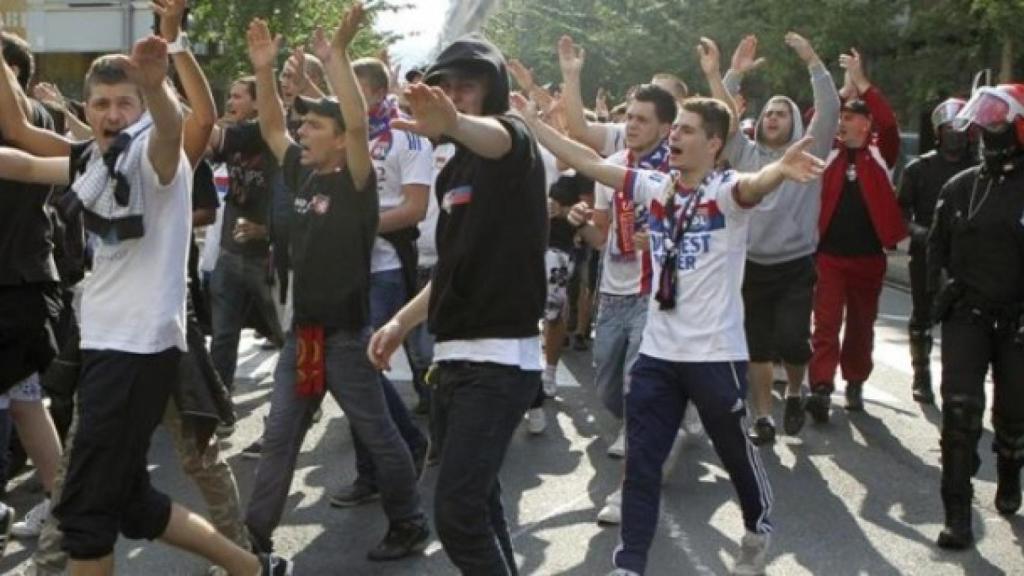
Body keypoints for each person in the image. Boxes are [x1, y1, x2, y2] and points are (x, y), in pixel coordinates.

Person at [0, 33, 290, 576]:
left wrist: (158, 89)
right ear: (86, 107)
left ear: (139, 110)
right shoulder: (93, 160)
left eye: (124, 103)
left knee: (85, 516)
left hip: (139, 348)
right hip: (105, 347)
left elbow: (174, 130)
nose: (112, 114)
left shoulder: (159, 160)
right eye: (101, 104)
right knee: (130, 501)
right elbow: (19, 158)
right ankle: (254, 569)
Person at [515, 90, 824, 576]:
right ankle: (629, 564)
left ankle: (757, 528)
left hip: (714, 355)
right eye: (674, 127)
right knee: (640, 463)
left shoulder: (725, 193)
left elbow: (755, 185)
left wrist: (780, 171)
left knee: (735, 454)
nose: (674, 136)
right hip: (658, 356)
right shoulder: (655, 187)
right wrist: (535, 125)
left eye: (686, 130)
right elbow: (590, 163)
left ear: (714, 143)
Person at [241, 8, 429, 561]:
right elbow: (272, 126)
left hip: (347, 336)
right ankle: (253, 542)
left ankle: (410, 522)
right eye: (304, 127)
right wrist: (264, 73)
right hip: (304, 337)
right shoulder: (299, 171)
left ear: (342, 138)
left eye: (313, 127)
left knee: (377, 435)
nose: (301, 133)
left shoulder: (356, 180)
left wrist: (338, 58)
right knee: (279, 439)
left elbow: (353, 118)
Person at [367, 34, 548, 575]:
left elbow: (496, 136)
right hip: (454, 360)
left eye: (464, 88)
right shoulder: (453, 171)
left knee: (457, 514)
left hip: (499, 363)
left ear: (491, 92)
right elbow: (449, 267)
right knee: (482, 502)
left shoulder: (512, 142)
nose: (450, 98)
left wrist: (457, 124)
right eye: (442, 88)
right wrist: (400, 322)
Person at [718, 32, 841, 443]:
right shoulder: (745, 153)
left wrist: (812, 60)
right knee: (757, 345)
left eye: (781, 114)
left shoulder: (812, 149)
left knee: (792, 339)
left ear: (796, 123)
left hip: (795, 264)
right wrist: (733, 73)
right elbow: (719, 114)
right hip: (751, 264)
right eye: (768, 113)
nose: (772, 118)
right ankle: (763, 418)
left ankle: (793, 390)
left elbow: (829, 108)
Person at [329, 56, 431, 508]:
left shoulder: (408, 136)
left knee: (363, 365)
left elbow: (414, 209)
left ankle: (399, 450)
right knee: (354, 368)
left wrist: (360, 227)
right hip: (344, 266)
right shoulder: (346, 135)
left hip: (386, 266)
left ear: (370, 92)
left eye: (348, 91)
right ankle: (377, 465)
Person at [928, 84, 1024, 550]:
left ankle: (1010, 469)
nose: (988, 129)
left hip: (1020, 320)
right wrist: (932, 311)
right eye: (983, 121)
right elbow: (936, 252)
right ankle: (957, 515)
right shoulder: (959, 186)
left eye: (999, 120)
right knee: (960, 413)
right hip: (967, 313)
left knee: (1014, 414)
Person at [806, 49, 907, 421]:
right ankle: (820, 386)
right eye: (840, 117)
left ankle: (855, 380)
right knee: (826, 322)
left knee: (862, 326)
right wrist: (842, 93)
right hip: (829, 255)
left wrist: (860, 81)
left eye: (849, 117)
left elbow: (889, 122)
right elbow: (814, 119)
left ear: (865, 125)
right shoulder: (827, 152)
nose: (841, 123)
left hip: (869, 258)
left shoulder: (882, 152)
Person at [0, 28, 64, 544]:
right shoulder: (36, 122)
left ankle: (68, 507)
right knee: (25, 401)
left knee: (25, 402)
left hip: (13, 284)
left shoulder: (18, 126)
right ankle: (65, 504)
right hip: (26, 279)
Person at [897, 97, 976, 404]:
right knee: (922, 316)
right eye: (950, 128)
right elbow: (901, 213)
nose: (956, 134)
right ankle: (921, 376)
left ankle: (958, 383)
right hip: (928, 254)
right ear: (939, 131)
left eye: (962, 128)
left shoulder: (978, 170)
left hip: (967, 256)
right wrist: (923, 234)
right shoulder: (919, 169)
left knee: (963, 322)